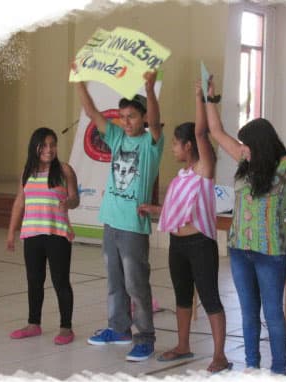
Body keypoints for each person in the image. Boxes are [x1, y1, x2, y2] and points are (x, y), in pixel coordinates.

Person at [203, 78, 286, 375]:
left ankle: (279, 369)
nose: (242, 147)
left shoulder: (283, 168)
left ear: (259, 144)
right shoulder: (244, 160)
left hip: (270, 253)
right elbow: (217, 132)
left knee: (272, 313)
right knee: (248, 313)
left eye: (246, 143)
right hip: (239, 250)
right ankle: (252, 365)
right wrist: (210, 100)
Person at [138, 81, 231, 373]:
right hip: (178, 245)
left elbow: (202, 132)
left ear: (188, 145)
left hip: (200, 244)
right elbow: (179, 209)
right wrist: (154, 210)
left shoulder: (205, 169)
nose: (174, 148)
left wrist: (200, 97)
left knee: (210, 297)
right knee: (181, 295)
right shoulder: (182, 176)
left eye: (177, 143)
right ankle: (183, 345)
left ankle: (219, 355)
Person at [76, 71, 163, 361]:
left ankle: (145, 337)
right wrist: (78, 80)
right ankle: (119, 328)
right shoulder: (115, 137)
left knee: (136, 284)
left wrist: (150, 90)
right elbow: (91, 111)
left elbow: (154, 118)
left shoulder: (150, 144)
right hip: (110, 221)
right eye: (123, 116)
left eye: (133, 117)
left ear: (144, 119)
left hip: (133, 228)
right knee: (114, 282)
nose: (126, 122)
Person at [6, 127, 79, 346]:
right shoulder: (27, 172)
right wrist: (11, 231)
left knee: (60, 282)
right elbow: (20, 201)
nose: (49, 149)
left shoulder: (65, 170)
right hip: (32, 234)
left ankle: (66, 327)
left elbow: (76, 198)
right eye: (44, 145)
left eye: (53, 144)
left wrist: (69, 202)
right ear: (35, 147)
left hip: (57, 234)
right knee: (34, 281)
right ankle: (33, 324)